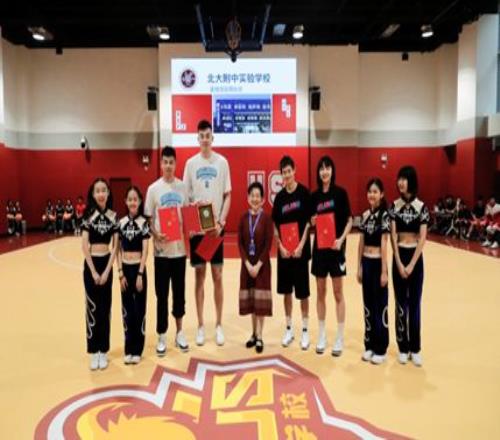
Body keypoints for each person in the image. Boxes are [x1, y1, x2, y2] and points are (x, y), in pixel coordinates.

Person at [183, 120, 232, 347]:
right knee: (199, 277)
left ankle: (219, 325)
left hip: (215, 230)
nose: (205, 139)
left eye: (208, 135)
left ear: (213, 138)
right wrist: (191, 222)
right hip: (198, 231)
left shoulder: (222, 162)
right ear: (198, 138)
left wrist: (221, 222)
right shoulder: (190, 164)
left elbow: (228, 195)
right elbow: (186, 198)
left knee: (217, 276)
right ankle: (201, 325)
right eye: (201, 135)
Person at [145, 146, 190, 355]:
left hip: (179, 252)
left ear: (176, 164)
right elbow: (148, 220)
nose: (169, 166)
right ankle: (162, 334)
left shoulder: (183, 187)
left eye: (172, 162)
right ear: (161, 164)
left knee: (179, 294)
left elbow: (188, 216)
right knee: (161, 295)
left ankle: (179, 332)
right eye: (165, 162)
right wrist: (156, 235)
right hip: (161, 253)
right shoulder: (153, 189)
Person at [311, 156, 353, 356]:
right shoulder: (314, 196)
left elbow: (349, 220)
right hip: (319, 251)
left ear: (332, 171)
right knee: (320, 292)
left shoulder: (340, 193)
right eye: (321, 169)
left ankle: (339, 337)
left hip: (336, 250)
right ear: (318, 173)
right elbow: (310, 222)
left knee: (338, 293)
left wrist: (341, 239)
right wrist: (312, 221)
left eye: (327, 168)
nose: (324, 172)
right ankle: (321, 335)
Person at [389, 166, 429, 367]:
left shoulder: (421, 207)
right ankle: (403, 348)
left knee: (414, 305)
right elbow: (393, 236)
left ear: (411, 181)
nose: (401, 183)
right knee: (400, 305)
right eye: (399, 179)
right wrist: (398, 262)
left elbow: (422, 237)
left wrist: (412, 264)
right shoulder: (394, 207)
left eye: (404, 179)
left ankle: (416, 348)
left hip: (415, 259)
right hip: (399, 257)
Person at [272, 155, 312, 350]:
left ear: (294, 170)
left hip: (300, 252)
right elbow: (275, 225)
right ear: (281, 174)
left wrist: (301, 246)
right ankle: (289, 328)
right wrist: (280, 246)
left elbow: (309, 223)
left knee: (303, 293)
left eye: (289, 171)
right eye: (284, 172)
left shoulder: (304, 193)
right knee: (286, 292)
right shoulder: (279, 198)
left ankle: (305, 330)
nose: (287, 175)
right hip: (285, 253)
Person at [81, 178, 119, 371]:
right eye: (98, 191)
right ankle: (93, 351)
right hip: (91, 265)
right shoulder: (88, 215)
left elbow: (115, 247)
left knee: (105, 308)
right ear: (93, 194)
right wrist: (94, 271)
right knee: (93, 308)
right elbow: (84, 246)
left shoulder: (113, 216)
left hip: (106, 264)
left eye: (104, 190)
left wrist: (106, 271)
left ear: (108, 193)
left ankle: (103, 350)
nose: (101, 194)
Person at [357, 178, 390, 365]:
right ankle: (369, 345)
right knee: (368, 306)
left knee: (379, 307)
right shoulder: (364, 215)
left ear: (382, 194)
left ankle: (381, 348)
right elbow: (361, 242)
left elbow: (384, 243)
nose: (372, 194)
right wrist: (359, 266)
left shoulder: (384, 216)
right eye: (370, 191)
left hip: (378, 264)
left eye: (375, 191)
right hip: (367, 263)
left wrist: (384, 271)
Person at [238, 182, 274, 354]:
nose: (255, 199)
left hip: (262, 267)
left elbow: (268, 244)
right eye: (252, 195)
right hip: (247, 267)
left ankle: (260, 335)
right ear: (248, 198)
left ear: (263, 199)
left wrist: (258, 265)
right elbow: (240, 243)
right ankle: (253, 333)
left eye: (258, 196)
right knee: (252, 300)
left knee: (260, 302)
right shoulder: (243, 219)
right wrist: (247, 264)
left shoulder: (266, 219)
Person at [117, 186, 150, 365]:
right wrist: (120, 273)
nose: (132, 202)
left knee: (139, 311)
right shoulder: (120, 223)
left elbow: (145, 250)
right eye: (129, 199)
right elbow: (117, 250)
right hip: (125, 270)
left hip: (138, 270)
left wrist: (140, 273)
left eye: (135, 199)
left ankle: (138, 349)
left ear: (140, 201)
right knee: (127, 311)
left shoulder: (143, 223)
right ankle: (128, 348)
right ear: (125, 201)